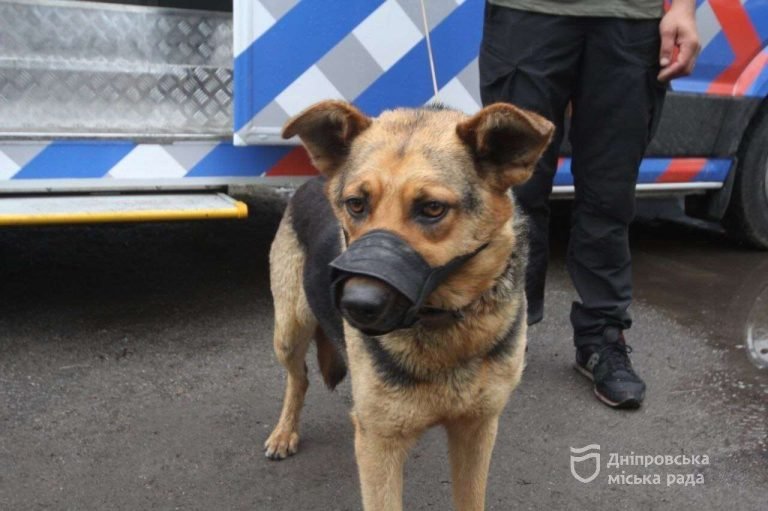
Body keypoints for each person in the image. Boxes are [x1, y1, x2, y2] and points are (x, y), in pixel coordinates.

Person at [479, 0, 700, 408]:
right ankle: (503, 332)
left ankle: (602, 338)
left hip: (630, 16)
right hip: (528, 11)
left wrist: (683, 8)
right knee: (515, 188)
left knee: (609, 192)